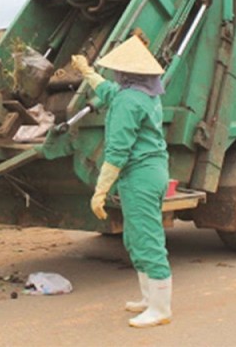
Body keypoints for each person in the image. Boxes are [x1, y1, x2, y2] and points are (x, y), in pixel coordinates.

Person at [71, 35, 172, 328]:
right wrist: (87, 71)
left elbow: (116, 152)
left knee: (147, 239)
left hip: (140, 175)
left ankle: (161, 308)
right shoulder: (143, 93)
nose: (116, 74)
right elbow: (109, 91)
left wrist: (99, 192)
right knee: (135, 237)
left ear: (127, 72)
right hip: (147, 172)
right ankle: (148, 298)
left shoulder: (129, 101)